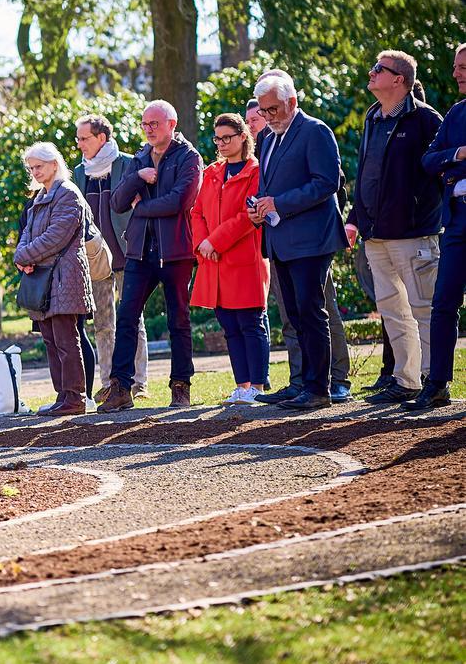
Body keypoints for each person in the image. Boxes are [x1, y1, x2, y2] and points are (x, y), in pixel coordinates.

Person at [346, 51, 443, 405]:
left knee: (423, 308)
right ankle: (406, 380)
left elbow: (440, 172)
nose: (370, 73)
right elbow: (365, 176)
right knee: (392, 310)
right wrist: (356, 219)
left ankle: (436, 381)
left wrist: (421, 213)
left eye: (378, 69)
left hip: (414, 233)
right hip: (376, 235)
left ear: (398, 79)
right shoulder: (373, 117)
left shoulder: (426, 120)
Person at [249, 70, 347, 411]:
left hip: (312, 237)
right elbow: (269, 183)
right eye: (264, 111)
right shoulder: (268, 138)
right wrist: (260, 207)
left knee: (310, 310)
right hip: (280, 236)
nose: (268, 117)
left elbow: (326, 182)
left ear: (292, 101)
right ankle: (301, 383)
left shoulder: (315, 131)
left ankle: (319, 387)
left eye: (273, 109)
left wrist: (279, 203)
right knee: (293, 313)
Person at [103, 100, 203, 412]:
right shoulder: (140, 158)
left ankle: (180, 386)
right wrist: (138, 177)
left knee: (178, 320)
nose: (148, 129)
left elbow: (180, 201)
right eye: (145, 124)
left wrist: (142, 207)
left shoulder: (189, 157)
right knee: (127, 318)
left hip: (175, 252)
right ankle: (120, 389)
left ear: (171, 124)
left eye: (154, 124)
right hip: (139, 252)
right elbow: (117, 202)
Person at [189, 114, 271, 404]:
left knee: (250, 323)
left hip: (244, 258)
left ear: (243, 136)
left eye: (228, 137)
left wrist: (216, 240)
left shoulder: (256, 171)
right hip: (213, 261)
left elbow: (248, 216)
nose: (222, 143)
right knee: (229, 326)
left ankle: (258, 388)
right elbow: (196, 212)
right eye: (218, 138)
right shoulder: (212, 171)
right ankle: (242, 385)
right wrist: (202, 243)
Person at [73, 114, 150, 403]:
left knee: (133, 319)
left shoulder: (128, 164)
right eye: (78, 139)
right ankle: (108, 382)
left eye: (84, 138)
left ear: (101, 138)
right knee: (103, 323)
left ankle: (138, 382)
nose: (79, 144)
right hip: (94, 258)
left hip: (128, 253)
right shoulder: (79, 173)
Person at [13, 144, 94, 416]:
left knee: (66, 339)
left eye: (39, 166)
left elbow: (55, 237)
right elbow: (27, 232)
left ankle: (75, 397)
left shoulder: (68, 194)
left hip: (64, 277)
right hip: (44, 279)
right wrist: (22, 256)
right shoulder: (41, 196)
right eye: (31, 168)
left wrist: (24, 255)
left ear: (54, 164)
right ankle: (62, 396)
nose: (35, 172)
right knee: (50, 339)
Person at [415, 42, 466, 409]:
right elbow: (429, 160)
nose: (456, 73)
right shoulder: (457, 113)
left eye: (463, 67)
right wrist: (458, 155)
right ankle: (437, 385)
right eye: (455, 66)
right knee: (443, 300)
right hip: (459, 219)